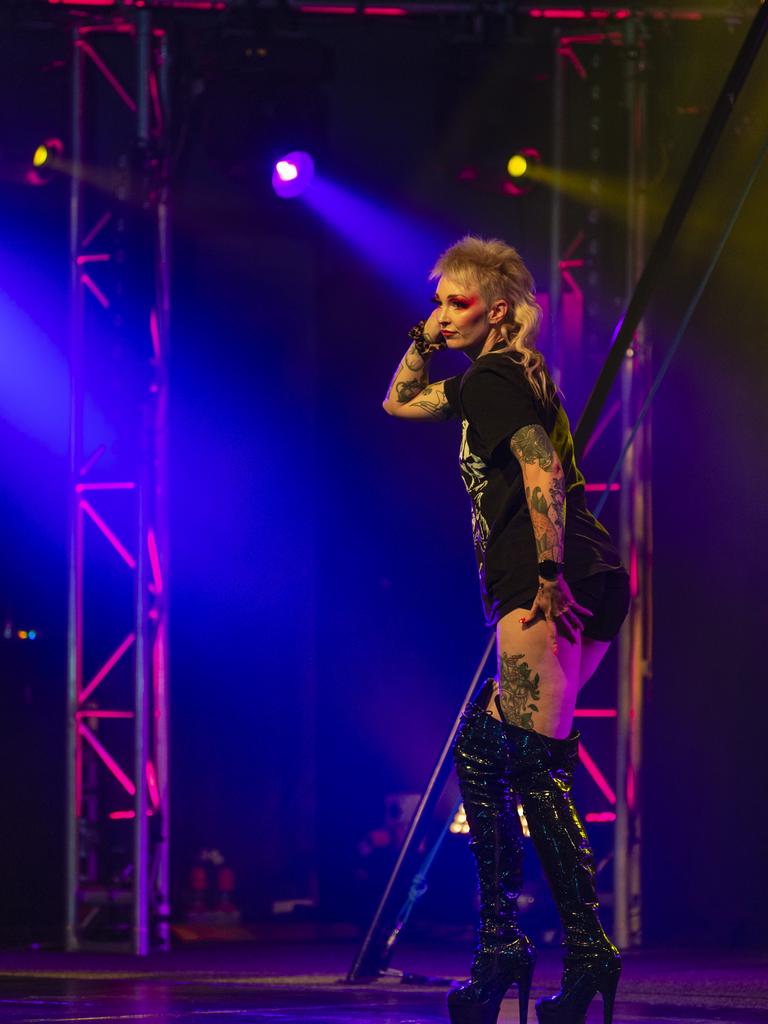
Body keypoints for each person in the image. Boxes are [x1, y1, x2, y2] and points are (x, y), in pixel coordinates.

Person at [382, 236, 630, 1024]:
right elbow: (397, 401)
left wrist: (549, 576)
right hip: (582, 573)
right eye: (436, 300)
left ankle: (579, 954)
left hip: (545, 579)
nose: (440, 315)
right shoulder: (500, 375)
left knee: (535, 764)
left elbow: (540, 469)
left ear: (494, 310)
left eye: (455, 302)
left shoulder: (493, 376)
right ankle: (502, 950)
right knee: (490, 750)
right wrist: (428, 336)